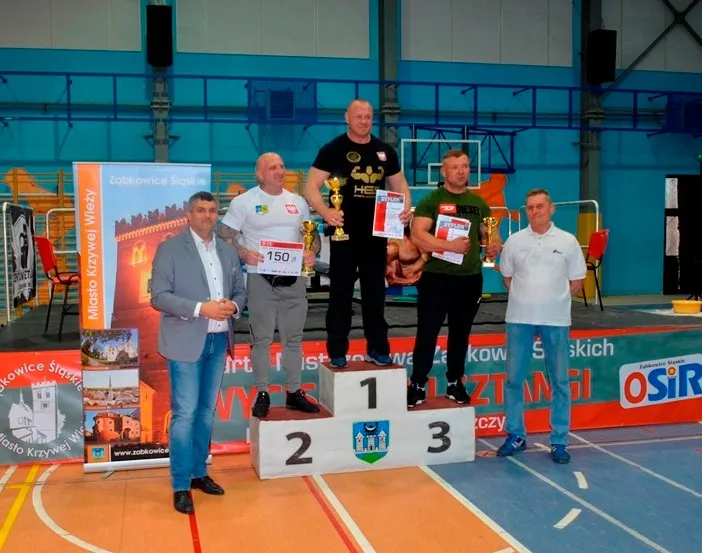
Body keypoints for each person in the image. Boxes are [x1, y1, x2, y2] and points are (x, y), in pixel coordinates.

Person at [150, 191, 247, 515]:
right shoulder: (169, 249)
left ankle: (197, 473)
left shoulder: (227, 250)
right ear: (188, 215)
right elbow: (159, 296)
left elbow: (240, 291)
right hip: (185, 342)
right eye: (201, 210)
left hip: (218, 342)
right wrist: (199, 308)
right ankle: (180, 484)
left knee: (206, 412)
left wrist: (234, 306)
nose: (207, 215)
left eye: (212, 210)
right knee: (185, 414)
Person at [304, 99, 412, 368]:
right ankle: (337, 350)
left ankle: (377, 348)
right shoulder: (333, 149)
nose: (364, 121)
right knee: (340, 294)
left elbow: (400, 186)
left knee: (375, 294)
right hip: (344, 234)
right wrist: (326, 212)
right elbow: (311, 187)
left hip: (376, 235)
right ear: (347, 118)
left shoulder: (385, 151)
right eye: (359, 116)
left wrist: (406, 207)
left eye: (368, 117)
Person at [218, 152, 320, 417]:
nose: (279, 171)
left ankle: (294, 392)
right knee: (261, 340)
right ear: (259, 174)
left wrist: (312, 252)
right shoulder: (244, 202)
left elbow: (312, 237)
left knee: (293, 340)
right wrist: (243, 252)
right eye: (272, 167)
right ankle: (262, 392)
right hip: (260, 280)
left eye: (282, 166)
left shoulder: (298, 202)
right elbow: (224, 236)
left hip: (294, 281)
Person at [496, 188, 586, 464]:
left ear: (551, 209)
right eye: (530, 208)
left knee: (560, 382)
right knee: (514, 380)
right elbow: (507, 278)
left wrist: (551, 300)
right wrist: (529, 299)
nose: (534, 211)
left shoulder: (568, 241)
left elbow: (576, 282)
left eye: (539, 206)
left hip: (556, 321)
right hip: (519, 319)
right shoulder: (514, 241)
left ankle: (559, 440)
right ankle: (516, 435)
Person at [406, 149, 501, 407]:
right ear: (443, 171)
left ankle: (454, 382)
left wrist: (494, 244)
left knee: (461, 334)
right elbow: (418, 235)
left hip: (469, 279)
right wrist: (450, 247)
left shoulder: (479, 203)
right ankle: (417, 383)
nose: (461, 171)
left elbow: (490, 233)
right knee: (427, 332)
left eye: (465, 166)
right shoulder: (431, 201)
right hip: (436, 278)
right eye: (455, 167)